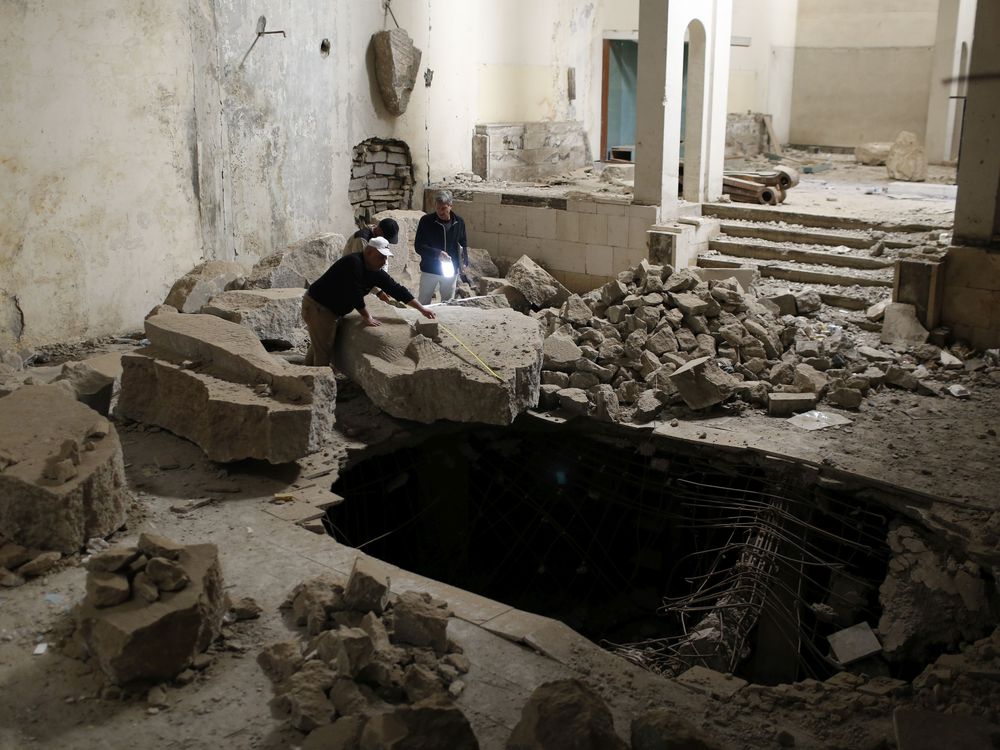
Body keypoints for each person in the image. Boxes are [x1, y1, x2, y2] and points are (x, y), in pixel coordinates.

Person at [301, 236, 435, 368]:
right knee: (323, 352)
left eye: (386, 258)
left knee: (319, 345)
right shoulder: (353, 263)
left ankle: (306, 376)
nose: (384, 261)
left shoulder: (375, 271)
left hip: (328, 308)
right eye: (381, 257)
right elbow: (354, 293)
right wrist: (367, 316)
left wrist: (421, 309)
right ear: (368, 252)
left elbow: (397, 290)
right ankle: (318, 381)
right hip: (319, 307)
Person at [413, 190, 469, 305]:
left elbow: (463, 243)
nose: (440, 212)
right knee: (423, 302)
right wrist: (437, 254)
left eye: (443, 208)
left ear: (450, 206)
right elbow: (419, 246)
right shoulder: (426, 221)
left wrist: (464, 262)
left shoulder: (459, 222)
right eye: (438, 208)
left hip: (450, 270)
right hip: (430, 269)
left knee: (448, 303)